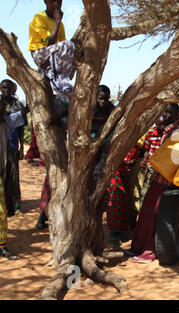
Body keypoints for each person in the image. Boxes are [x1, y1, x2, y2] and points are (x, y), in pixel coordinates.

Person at [126, 103, 179, 263]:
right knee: (146, 211)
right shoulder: (164, 130)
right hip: (157, 176)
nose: (165, 114)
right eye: (164, 111)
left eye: (169, 112)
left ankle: (149, 251)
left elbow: (173, 157)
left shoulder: (175, 132)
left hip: (165, 179)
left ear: (175, 115)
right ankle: (138, 247)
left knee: (155, 213)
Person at [0, 100, 29, 259]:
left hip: (1, 174)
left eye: (2, 111)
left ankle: (1, 247)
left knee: (1, 211)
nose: (1, 114)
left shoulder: (6, 121)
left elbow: (23, 112)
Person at [28, 0, 74, 101]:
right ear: (45, 1)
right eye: (53, 1)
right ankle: (57, 80)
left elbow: (63, 50)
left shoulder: (60, 25)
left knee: (70, 47)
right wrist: (57, 22)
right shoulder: (39, 18)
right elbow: (50, 43)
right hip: (39, 54)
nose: (56, 4)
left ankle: (59, 81)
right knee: (68, 45)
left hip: (53, 55)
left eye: (59, 1)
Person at [1, 79, 27, 217]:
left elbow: (21, 129)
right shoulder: (0, 103)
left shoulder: (17, 105)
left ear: (13, 89)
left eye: (7, 87)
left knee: (13, 177)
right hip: (1, 146)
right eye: (2, 87)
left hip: (11, 146)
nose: (4, 90)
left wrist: (22, 146)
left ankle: (15, 207)